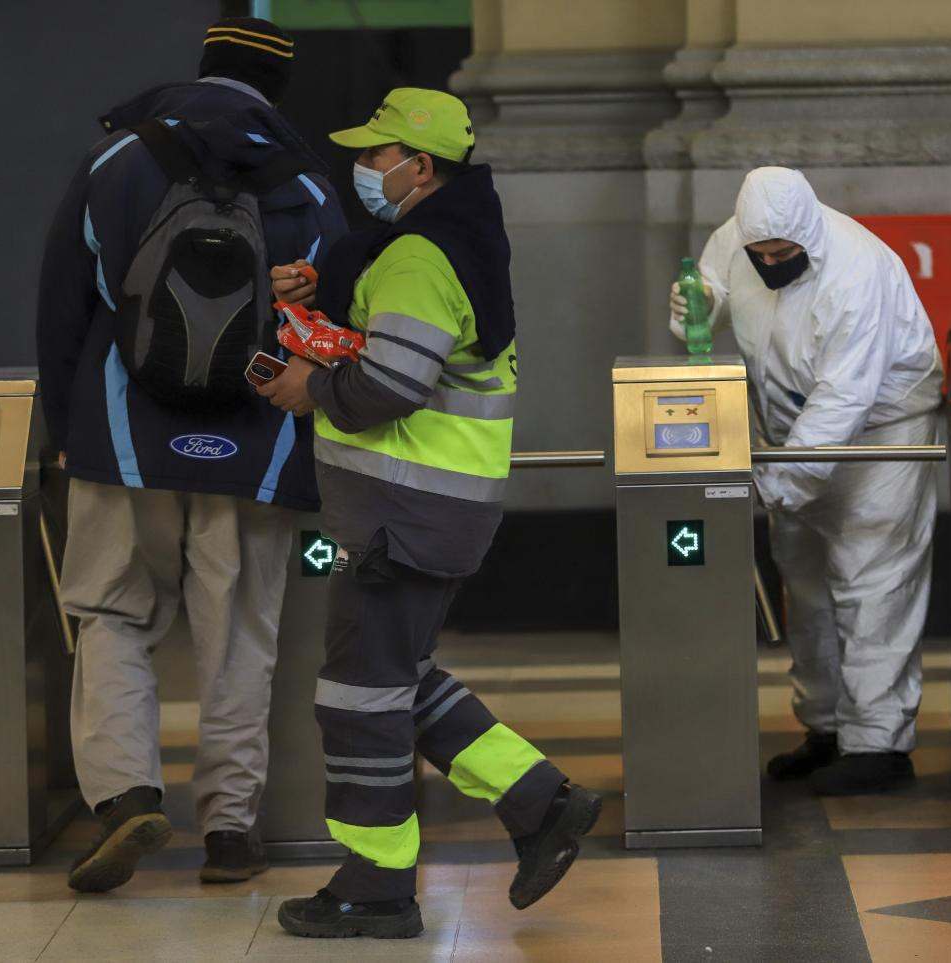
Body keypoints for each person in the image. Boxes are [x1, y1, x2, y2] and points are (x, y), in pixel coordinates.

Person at [257, 87, 601, 940]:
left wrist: (310, 389)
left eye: (376, 156)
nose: (363, 169)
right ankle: (541, 802)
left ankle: (375, 883)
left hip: (399, 512)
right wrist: (324, 284)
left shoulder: (421, 257)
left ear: (422, 165)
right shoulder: (450, 238)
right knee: (397, 679)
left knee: (360, 698)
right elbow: (391, 316)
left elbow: (390, 383)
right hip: (430, 507)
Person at [36, 17, 347, 892]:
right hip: (255, 444)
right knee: (241, 630)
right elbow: (324, 338)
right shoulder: (310, 188)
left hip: (122, 434)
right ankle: (230, 830)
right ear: (274, 89)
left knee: (111, 613)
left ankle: (127, 791)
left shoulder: (119, 162)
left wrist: (70, 430)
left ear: (202, 66)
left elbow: (63, 304)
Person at [669, 167, 941, 795]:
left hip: (880, 436)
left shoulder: (857, 270)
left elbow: (844, 398)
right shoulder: (733, 241)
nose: (767, 261)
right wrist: (700, 305)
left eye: (782, 254)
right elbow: (709, 301)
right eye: (758, 252)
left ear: (807, 236)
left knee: (873, 579)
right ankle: (825, 727)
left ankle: (878, 743)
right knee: (806, 584)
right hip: (787, 435)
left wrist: (775, 486)